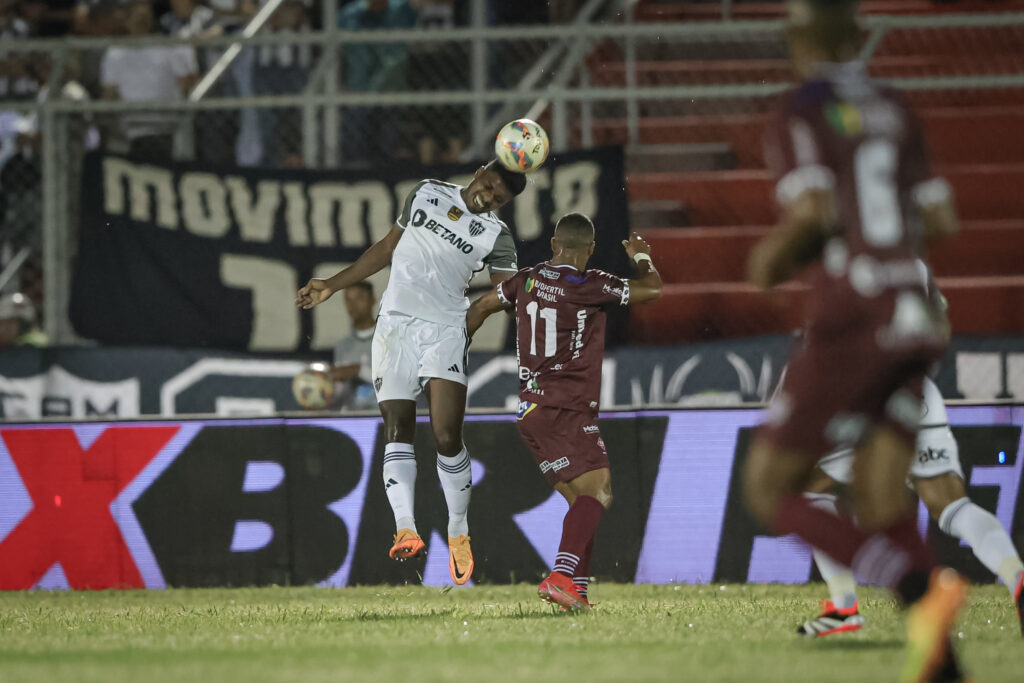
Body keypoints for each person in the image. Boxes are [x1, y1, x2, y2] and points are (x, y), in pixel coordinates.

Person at [741, 0, 963, 681]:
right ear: (860, 35)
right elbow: (941, 219)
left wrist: (770, 261)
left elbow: (812, 211)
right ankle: (945, 665)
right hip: (918, 312)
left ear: (796, 39)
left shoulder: (803, 109)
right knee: (883, 497)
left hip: (855, 311)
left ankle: (913, 584)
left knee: (769, 486)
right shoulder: (897, 106)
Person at [295, 159, 526, 585]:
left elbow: (506, 292)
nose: (488, 198)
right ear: (480, 172)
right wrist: (331, 284)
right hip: (395, 327)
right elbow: (386, 249)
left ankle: (458, 530)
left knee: (446, 434)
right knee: (397, 426)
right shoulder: (426, 192)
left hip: (445, 330)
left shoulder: (497, 236)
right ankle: (406, 528)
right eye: (489, 186)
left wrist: (494, 310)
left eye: (498, 199)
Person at [797, 270, 1024, 638]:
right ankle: (1016, 576)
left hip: (858, 392)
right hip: (914, 390)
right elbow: (940, 328)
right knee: (951, 504)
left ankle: (845, 606)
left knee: (804, 488)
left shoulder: (843, 259)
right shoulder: (911, 262)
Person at [466, 215, 663, 610]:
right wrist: (642, 257)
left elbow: (483, 305)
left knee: (583, 501)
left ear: (554, 244)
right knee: (598, 493)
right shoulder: (590, 284)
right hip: (566, 408)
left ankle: (578, 590)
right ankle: (560, 576)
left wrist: (456, 348)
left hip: (530, 410)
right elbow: (653, 289)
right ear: (590, 249)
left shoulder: (525, 279)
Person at [100, 1, 200, 160]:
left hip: (167, 128)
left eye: (145, 17)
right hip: (132, 130)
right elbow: (109, 94)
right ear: (126, 19)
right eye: (137, 17)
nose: (141, 22)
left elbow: (186, 84)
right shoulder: (115, 53)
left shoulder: (166, 46)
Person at [328, 281, 377, 412]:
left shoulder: (388, 339)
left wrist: (358, 371)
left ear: (373, 300)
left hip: (383, 417)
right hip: (353, 418)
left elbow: (396, 383)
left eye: (359, 298)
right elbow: (341, 392)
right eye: (348, 300)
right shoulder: (342, 346)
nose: (353, 305)